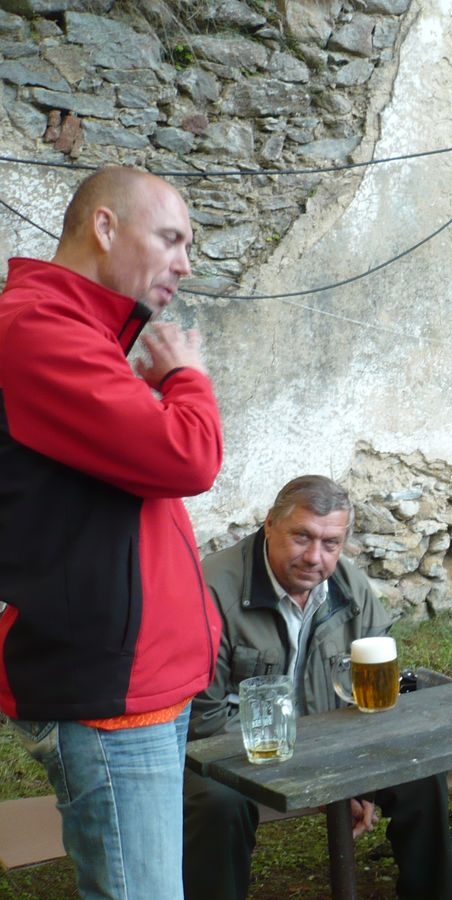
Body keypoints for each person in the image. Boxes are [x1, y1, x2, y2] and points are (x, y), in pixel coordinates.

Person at [0, 166, 223, 899]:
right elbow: (187, 456)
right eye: (171, 239)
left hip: (135, 686)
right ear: (104, 226)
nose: (184, 263)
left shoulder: (78, 333)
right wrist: (186, 377)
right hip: (109, 696)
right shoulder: (39, 329)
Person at [184, 475, 452, 900]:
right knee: (216, 803)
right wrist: (311, 777)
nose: (315, 557)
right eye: (302, 537)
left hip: (327, 744)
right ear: (270, 523)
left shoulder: (350, 587)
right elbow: (203, 721)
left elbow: (374, 699)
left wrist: (349, 777)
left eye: (330, 543)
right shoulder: (212, 590)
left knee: (419, 771)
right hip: (230, 752)